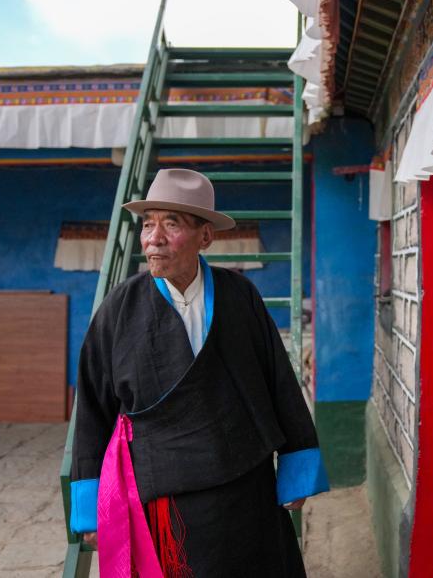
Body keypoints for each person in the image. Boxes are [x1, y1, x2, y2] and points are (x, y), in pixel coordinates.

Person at [69, 168, 328, 577]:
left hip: (245, 484)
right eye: (148, 224)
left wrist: (296, 466)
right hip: (166, 495)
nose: (153, 238)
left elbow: (278, 381)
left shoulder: (239, 296)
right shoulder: (119, 309)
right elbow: (92, 409)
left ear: (205, 236)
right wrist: (90, 507)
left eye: (171, 224)